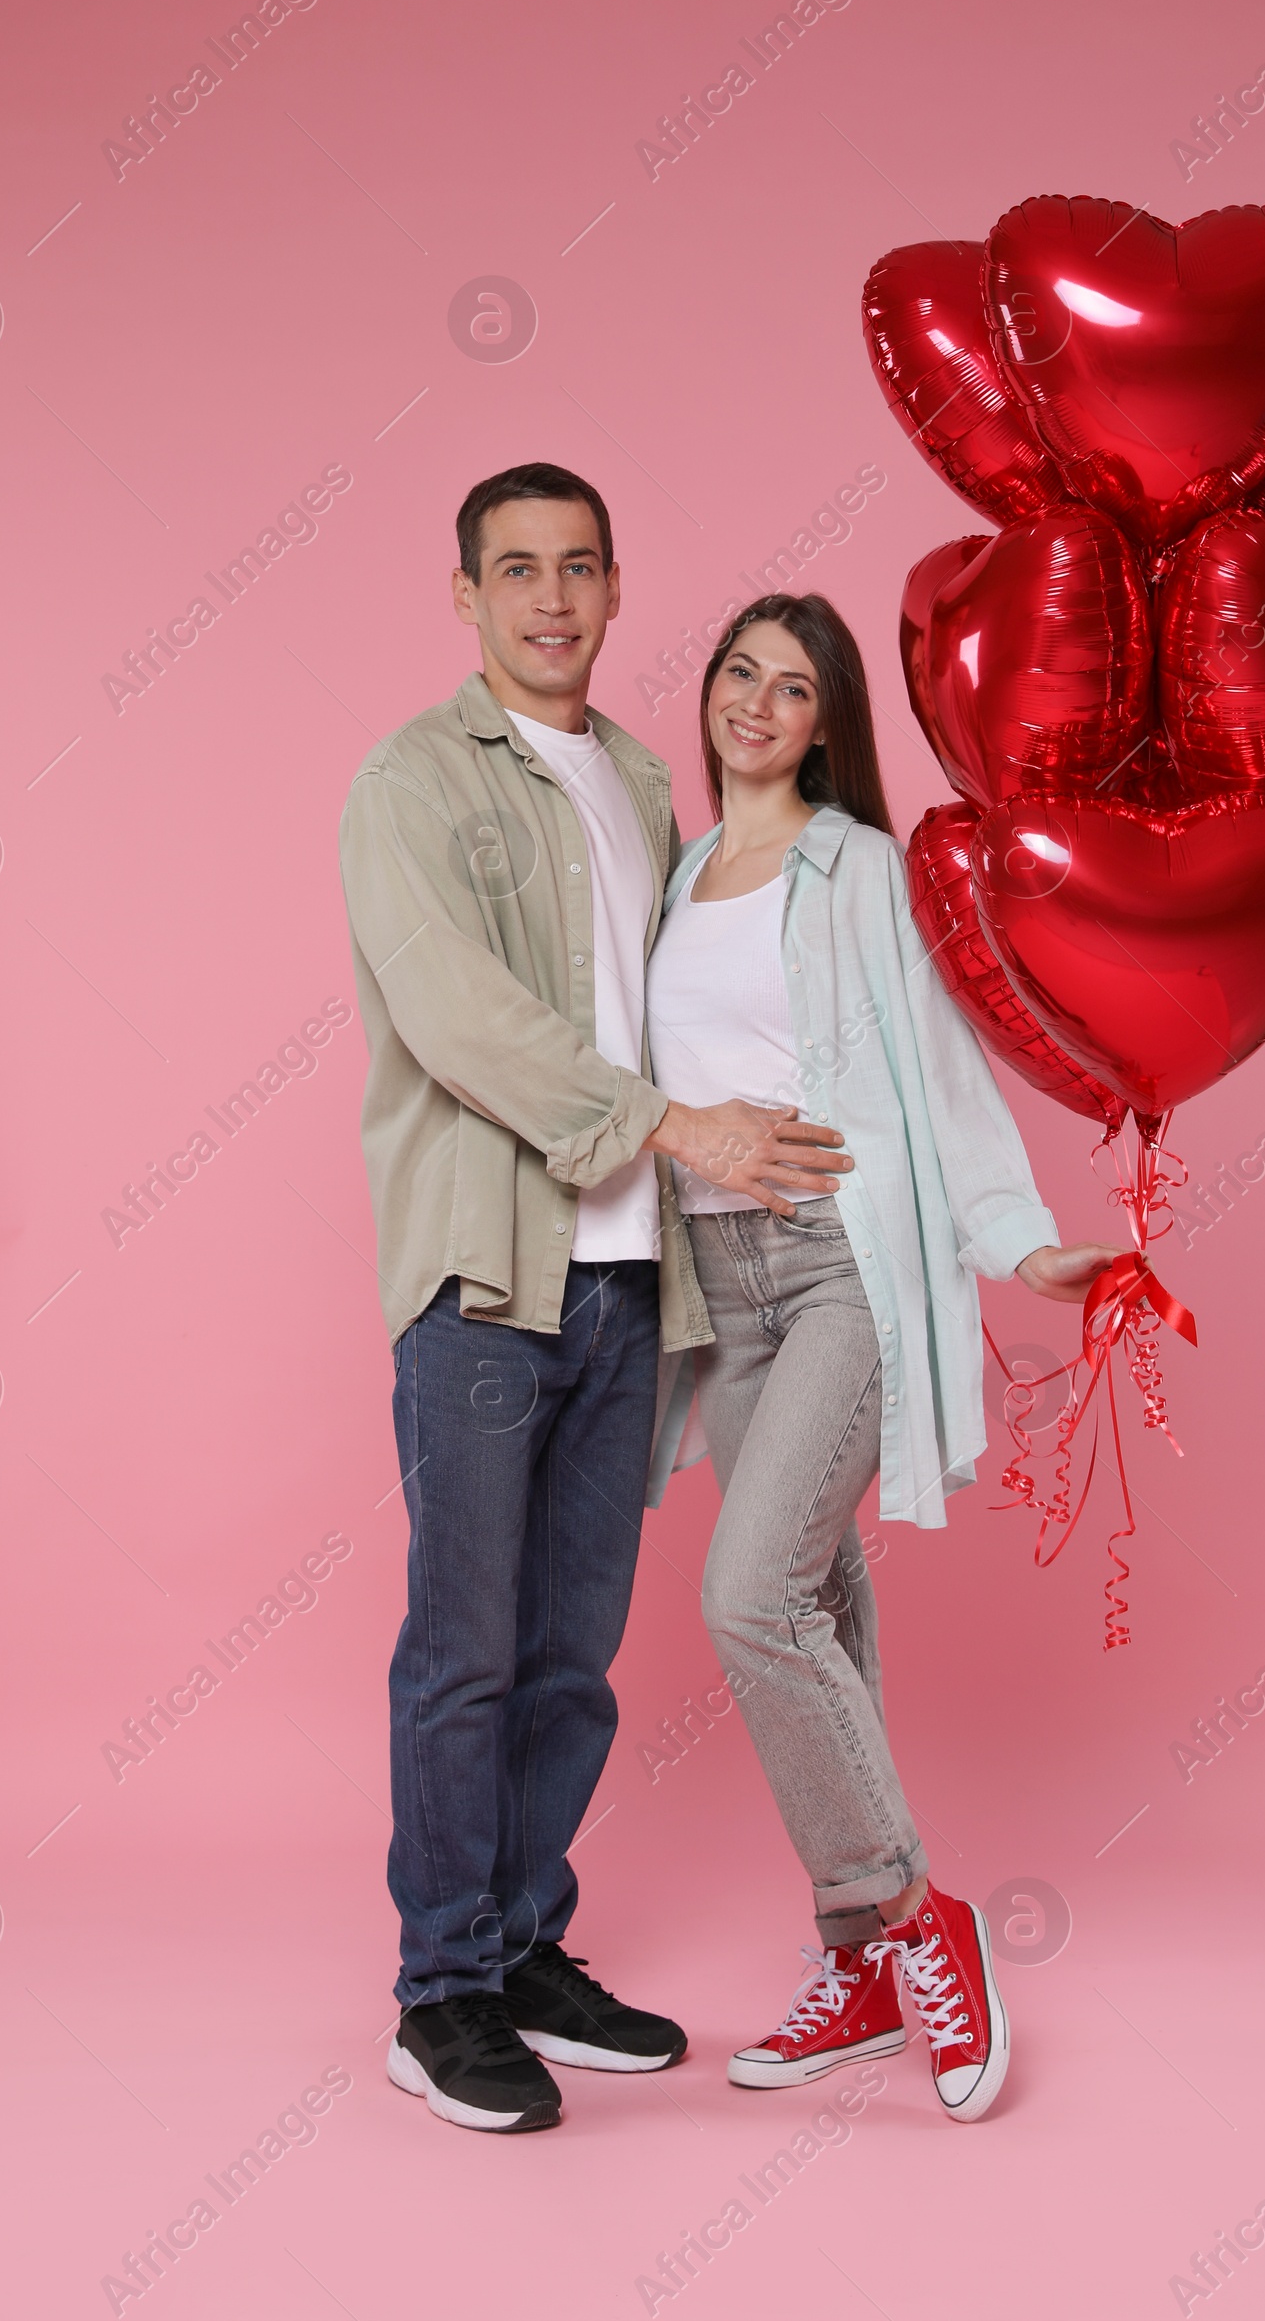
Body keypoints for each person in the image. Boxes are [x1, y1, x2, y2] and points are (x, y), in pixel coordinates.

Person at [338, 467, 852, 2134]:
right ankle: (441, 1992)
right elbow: (455, 1015)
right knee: (465, 1655)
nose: (550, 598)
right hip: (491, 1281)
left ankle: (525, 1945)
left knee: (571, 1659)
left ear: (618, 590)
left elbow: (704, 1006)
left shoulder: (647, 786)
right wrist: (663, 1124)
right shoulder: (411, 782)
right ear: (467, 596)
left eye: (578, 569)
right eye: (516, 571)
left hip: (640, 1287)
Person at [644, 592, 1124, 2123]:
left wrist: (1017, 1238)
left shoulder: (862, 873)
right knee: (824, 1609)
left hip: (840, 1267)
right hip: (719, 1287)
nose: (758, 705)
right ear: (710, 692)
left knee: (752, 1595)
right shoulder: (675, 874)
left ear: (827, 723)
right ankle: (857, 1964)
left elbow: (937, 1068)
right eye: (741, 674)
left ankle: (923, 1920)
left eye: (794, 688)